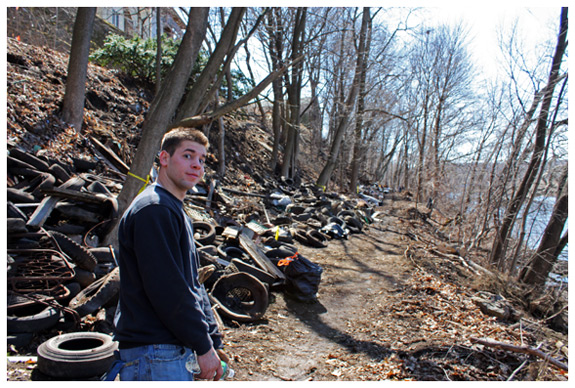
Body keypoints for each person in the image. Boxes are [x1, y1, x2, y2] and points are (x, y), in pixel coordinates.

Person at [108, 127, 228, 381]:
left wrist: (211, 339)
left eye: (202, 159)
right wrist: (203, 346)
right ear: (164, 158)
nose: (197, 165)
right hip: (154, 353)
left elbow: (191, 283)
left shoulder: (173, 210)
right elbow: (169, 291)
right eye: (187, 155)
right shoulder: (154, 210)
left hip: (168, 351)